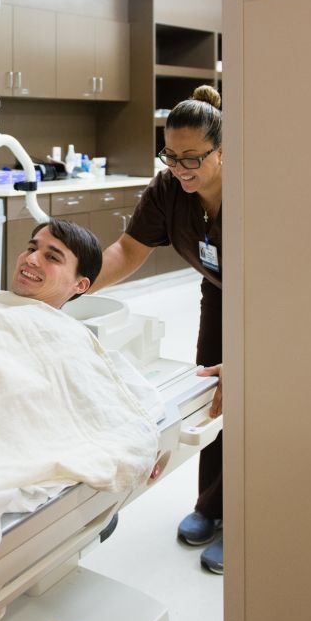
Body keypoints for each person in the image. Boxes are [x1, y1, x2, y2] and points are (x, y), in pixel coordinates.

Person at [88, 84, 227, 574]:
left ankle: (252, 521)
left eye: (194, 158)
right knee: (216, 393)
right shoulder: (169, 189)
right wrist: (75, 285)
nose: (181, 168)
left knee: (256, 396)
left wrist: (254, 356)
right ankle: (213, 507)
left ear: (223, 150)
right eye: (171, 155)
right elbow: (126, 252)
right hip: (221, 288)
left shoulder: (254, 191)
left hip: (272, 301)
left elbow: (290, 281)